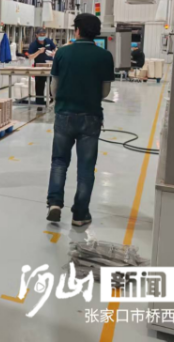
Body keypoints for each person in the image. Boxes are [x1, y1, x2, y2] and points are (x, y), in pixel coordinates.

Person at [46, 13, 115, 227]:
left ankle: (55, 203)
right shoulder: (104, 56)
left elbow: (54, 88)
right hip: (91, 117)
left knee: (59, 162)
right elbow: (105, 91)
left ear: (76, 30)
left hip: (64, 115)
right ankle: (80, 214)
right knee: (86, 167)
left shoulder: (62, 53)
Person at [27, 27, 57, 108]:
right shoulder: (33, 45)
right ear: (36, 35)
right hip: (39, 68)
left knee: (52, 84)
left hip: (49, 67)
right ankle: (40, 102)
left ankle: (53, 100)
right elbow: (30, 57)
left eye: (44, 34)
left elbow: (55, 48)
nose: (42, 36)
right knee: (39, 85)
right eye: (40, 35)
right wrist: (39, 52)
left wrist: (54, 52)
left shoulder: (48, 41)